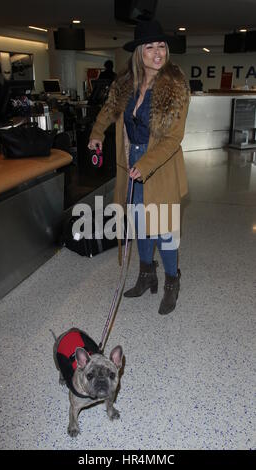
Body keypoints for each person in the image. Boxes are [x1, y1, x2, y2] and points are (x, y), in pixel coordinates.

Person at [88, 20, 190, 315]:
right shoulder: (124, 84)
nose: (158, 53)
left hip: (160, 164)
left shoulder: (176, 86)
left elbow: (173, 138)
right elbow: (109, 110)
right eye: (150, 47)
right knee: (140, 225)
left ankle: (172, 281)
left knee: (164, 229)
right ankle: (147, 275)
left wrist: (145, 164)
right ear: (138, 53)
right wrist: (96, 132)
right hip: (130, 160)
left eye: (161, 46)